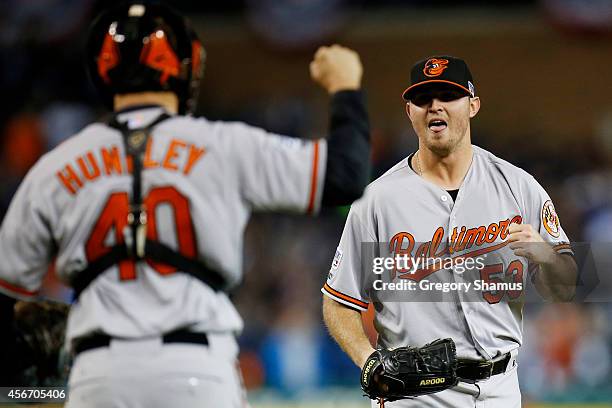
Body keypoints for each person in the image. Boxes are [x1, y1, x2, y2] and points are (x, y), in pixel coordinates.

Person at [0, 2, 370, 407]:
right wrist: (344, 87)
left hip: (98, 373)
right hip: (195, 368)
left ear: (102, 69)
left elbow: (10, 289)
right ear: (185, 67)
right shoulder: (221, 143)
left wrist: (25, 386)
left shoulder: (57, 165)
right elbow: (344, 176)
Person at [321, 56, 578, 407]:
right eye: (423, 99)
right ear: (409, 110)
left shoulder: (519, 187)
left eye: (447, 96)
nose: (434, 107)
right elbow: (338, 301)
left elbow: (565, 288)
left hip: (500, 389)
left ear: (473, 105)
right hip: (415, 395)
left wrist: (546, 256)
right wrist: (369, 362)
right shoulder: (376, 201)